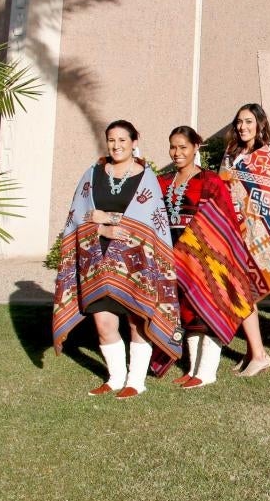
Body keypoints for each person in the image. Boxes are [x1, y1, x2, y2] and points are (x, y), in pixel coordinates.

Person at [52, 120, 182, 399]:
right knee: (103, 322)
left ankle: (136, 381)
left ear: (135, 141)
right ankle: (114, 378)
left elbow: (150, 221)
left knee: (137, 320)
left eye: (123, 139)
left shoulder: (146, 177)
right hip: (96, 256)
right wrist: (101, 227)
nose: (117, 145)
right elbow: (79, 215)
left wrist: (108, 217)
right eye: (112, 139)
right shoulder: (92, 174)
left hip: (137, 260)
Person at [159, 126, 254, 389]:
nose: (177, 153)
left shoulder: (210, 181)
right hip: (173, 254)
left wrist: (199, 247)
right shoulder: (164, 181)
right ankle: (192, 368)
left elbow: (224, 221)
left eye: (183, 147)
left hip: (204, 256)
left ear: (195, 147)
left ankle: (207, 371)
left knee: (207, 310)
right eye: (173, 147)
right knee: (187, 311)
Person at [219, 103, 270, 377]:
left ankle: (259, 355)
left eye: (248, 122)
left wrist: (232, 178)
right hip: (233, 228)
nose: (243, 127)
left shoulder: (265, 153)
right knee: (240, 291)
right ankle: (251, 351)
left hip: (257, 232)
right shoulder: (232, 152)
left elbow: (264, 193)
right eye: (239, 122)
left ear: (259, 124)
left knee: (244, 292)